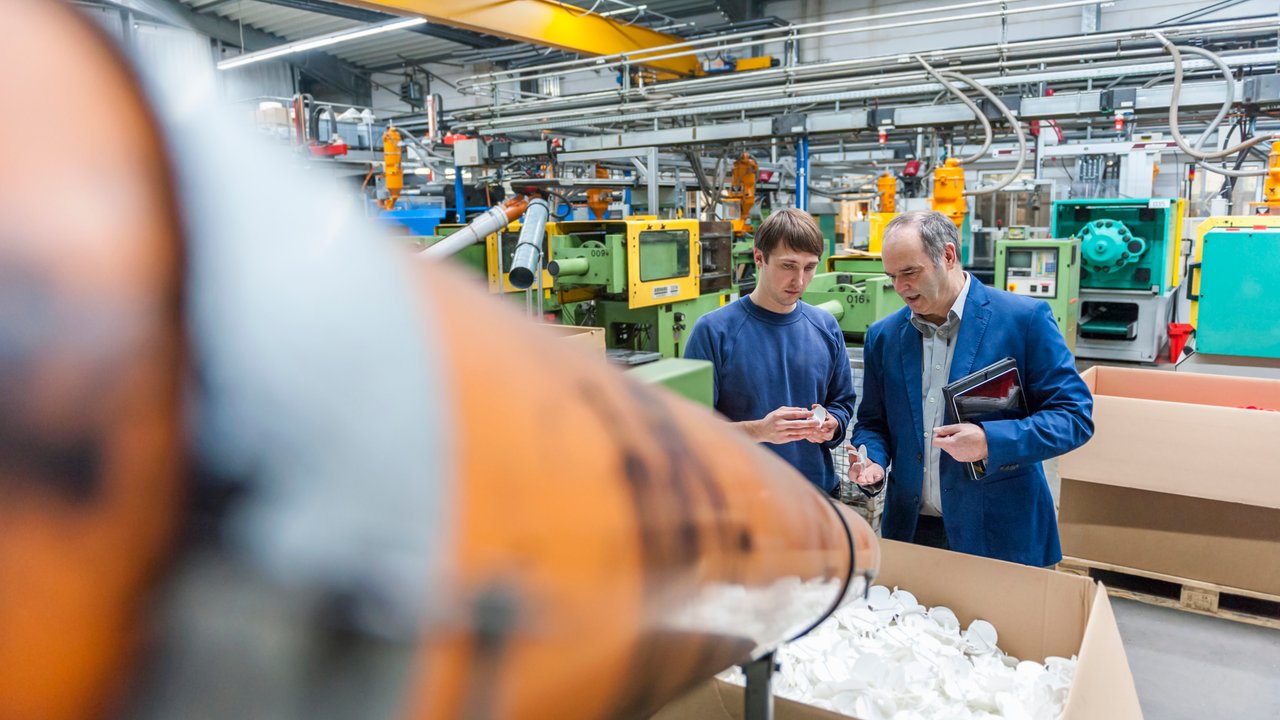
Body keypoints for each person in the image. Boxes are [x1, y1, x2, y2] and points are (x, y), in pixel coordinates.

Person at [849, 210, 1093, 566]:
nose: (900, 287)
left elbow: (1074, 418)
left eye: (910, 273)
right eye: (891, 276)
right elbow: (873, 422)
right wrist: (871, 460)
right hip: (914, 531)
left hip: (1000, 530)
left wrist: (989, 442)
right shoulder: (884, 336)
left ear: (947, 256)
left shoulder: (1023, 321)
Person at [685, 208, 855, 495]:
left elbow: (842, 401)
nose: (799, 281)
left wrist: (832, 424)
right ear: (759, 258)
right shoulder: (714, 332)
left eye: (809, 267)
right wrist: (760, 431)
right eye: (788, 266)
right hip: (742, 503)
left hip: (817, 496)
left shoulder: (825, 326)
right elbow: (689, 430)